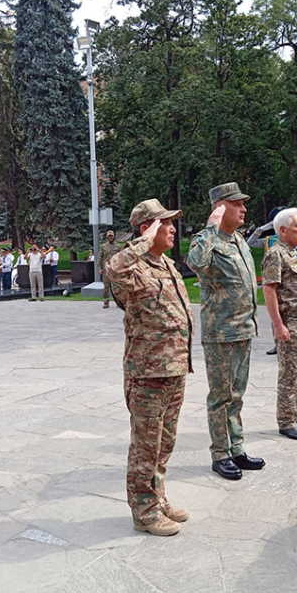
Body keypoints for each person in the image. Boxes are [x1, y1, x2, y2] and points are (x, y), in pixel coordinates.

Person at [106, 198, 193, 536]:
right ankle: (144, 511)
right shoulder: (133, 267)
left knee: (164, 443)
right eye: (164, 223)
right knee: (146, 446)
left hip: (174, 369)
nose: (172, 229)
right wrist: (143, 241)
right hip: (147, 374)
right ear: (147, 228)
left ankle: (157, 498)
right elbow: (114, 269)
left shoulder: (166, 264)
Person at [187, 182, 265, 481]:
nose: (243, 209)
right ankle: (220, 453)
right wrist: (211, 227)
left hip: (244, 328)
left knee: (237, 395)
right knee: (221, 396)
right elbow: (195, 264)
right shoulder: (206, 239)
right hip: (221, 332)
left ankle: (236, 447)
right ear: (220, 208)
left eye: (243, 203)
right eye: (237, 204)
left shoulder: (238, 240)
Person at [262, 208, 297, 441]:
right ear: (283, 230)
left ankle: (296, 415)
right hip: (290, 324)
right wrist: (278, 324)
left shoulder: (296, 252)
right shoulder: (276, 254)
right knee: (289, 374)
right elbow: (269, 290)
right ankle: (285, 421)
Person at [247, 205, 288, 355]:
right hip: (274, 282)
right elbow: (250, 243)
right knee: (276, 312)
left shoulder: (293, 239)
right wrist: (262, 229)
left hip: (290, 281)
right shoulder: (269, 240)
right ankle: (278, 343)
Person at [98, 230, 122, 308]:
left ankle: (118, 302)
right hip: (106, 270)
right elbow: (100, 257)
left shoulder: (118, 246)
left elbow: (121, 257)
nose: (110, 237)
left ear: (114, 237)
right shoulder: (103, 246)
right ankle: (106, 302)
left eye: (111, 236)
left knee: (117, 287)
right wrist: (99, 268)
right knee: (106, 286)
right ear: (107, 237)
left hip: (115, 270)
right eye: (109, 236)